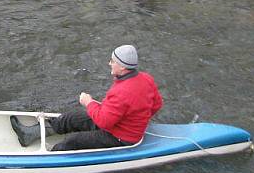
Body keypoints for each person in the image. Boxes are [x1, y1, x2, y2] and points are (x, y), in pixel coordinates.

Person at [10, 45, 163, 151]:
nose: (109, 63)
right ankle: (30, 134)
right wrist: (135, 118)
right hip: (117, 126)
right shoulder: (146, 78)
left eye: (112, 61)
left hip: (120, 137)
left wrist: (88, 103)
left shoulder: (122, 92)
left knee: (74, 141)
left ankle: (52, 156)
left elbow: (103, 121)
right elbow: (157, 105)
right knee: (72, 117)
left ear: (122, 67)